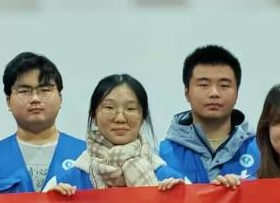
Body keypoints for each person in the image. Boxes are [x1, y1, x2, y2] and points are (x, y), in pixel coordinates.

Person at [45, 74, 184, 194]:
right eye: (109, 107)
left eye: (130, 108)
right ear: (93, 116)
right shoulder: (66, 182)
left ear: (143, 117)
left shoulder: (171, 180)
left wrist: (178, 200)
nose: (120, 118)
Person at [0, 52, 86, 193]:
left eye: (44, 90)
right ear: (8, 101)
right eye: (24, 91)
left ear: (60, 98)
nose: (35, 98)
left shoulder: (86, 155)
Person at [160, 45, 259, 186]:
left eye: (224, 85)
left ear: (237, 93)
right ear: (187, 92)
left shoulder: (263, 151)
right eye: (203, 85)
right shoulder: (161, 156)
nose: (214, 93)